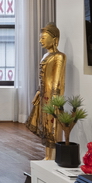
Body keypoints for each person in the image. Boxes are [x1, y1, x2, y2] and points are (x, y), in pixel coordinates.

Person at [26, 22, 66, 160]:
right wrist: (38, 92)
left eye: (43, 38)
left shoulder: (59, 56)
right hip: (44, 95)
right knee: (45, 125)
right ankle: (47, 155)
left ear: (54, 39)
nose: (40, 41)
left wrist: (55, 98)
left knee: (53, 125)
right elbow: (42, 78)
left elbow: (57, 79)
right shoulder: (45, 56)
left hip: (52, 97)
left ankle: (53, 156)